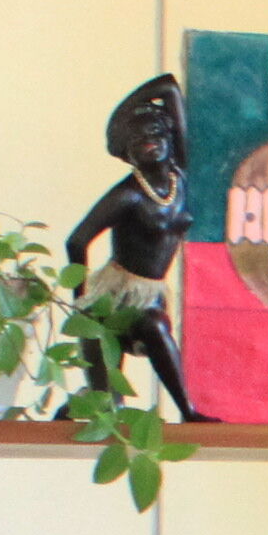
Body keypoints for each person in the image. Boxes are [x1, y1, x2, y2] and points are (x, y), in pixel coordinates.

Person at [64, 74, 198, 418]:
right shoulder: (128, 196)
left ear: (169, 137)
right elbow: (77, 240)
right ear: (127, 154)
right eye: (137, 140)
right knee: (109, 405)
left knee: (155, 324)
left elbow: (168, 86)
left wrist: (126, 113)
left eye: (155, 134)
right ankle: (80, 405)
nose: (149, 142)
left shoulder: (178, 175)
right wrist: (79, 299)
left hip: (150, 292)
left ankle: (188, 410)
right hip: (112, 301)